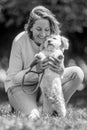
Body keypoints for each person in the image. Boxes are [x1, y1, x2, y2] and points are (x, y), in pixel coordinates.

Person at [4, 5, 84, 118]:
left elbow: (57, 73)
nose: (43, 34)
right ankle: (22, 104)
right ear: (30, 27)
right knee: (33, 116)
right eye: (38, 29)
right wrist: (36, 70)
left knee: (77, 73)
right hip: (21, 86)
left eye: (47, 30)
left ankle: (55, 111)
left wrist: (60, 71)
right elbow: (14, 78)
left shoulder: (54, 42)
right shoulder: (19, 41)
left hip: (46, 84)